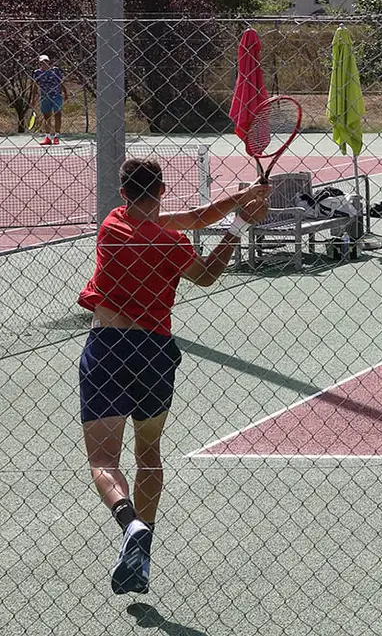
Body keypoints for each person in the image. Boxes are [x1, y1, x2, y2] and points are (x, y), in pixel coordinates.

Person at [77, 159, 267, 595]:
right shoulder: (172, 244)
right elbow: (206, 274)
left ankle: (129, 526)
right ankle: (142, 552)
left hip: (107, 348)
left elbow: (192, 216)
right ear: (162, 189)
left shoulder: (112, 225)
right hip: (155, 353)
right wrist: (239, 221)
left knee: (104, 461)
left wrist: (240, 199)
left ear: (123, 193)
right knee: (149, 453)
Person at [32, 53, 64, 144]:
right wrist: (33, 99)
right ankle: (48, 138)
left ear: (49, 62)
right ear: (39, 64)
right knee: (47, 117)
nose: (44, 63)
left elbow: (61, 82)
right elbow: (35, 86)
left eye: (46, 61)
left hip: (56, 96)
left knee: (58, 115)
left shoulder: (55, 70)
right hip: (45, 97)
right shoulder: (37, 72)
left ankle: (57, 136)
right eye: (42, 62)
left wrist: (65, 93)